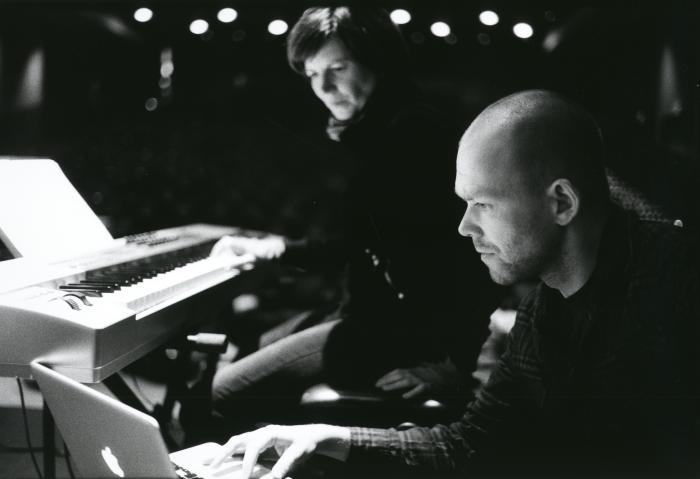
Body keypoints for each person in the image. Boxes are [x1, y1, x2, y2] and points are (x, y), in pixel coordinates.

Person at [209, 90, 700, 479]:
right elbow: (468, 445)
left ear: (562, 204)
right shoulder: (542, 313)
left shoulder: (676, 289)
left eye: (483, 204)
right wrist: (331, 437)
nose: (465, 227)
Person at [209, 6, 500, 431]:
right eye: (311, 74)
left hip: (402, 336)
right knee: (249, 343)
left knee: (220, 392)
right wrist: (275, 249)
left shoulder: (414, 135)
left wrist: (455, 364)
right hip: (372, 318)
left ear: (377, 60)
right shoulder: (382, 129)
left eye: (337, 68)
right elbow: (359, 239)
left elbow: (476, 254)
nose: (323, 87)